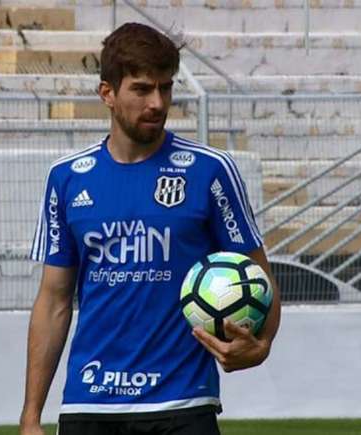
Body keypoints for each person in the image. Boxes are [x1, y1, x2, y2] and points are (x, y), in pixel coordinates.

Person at [20, 22, 281, 435]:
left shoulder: (209, 172)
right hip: (90, 403)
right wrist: (31, 415)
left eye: (165, 88)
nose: (157, 102)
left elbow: (258, 273)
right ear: (108, 93)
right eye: (142, 89)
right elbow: (54, 301)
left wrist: (261, 346)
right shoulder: (67, 178)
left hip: (183, 401)